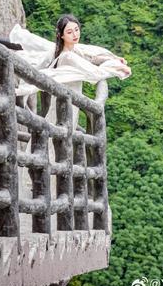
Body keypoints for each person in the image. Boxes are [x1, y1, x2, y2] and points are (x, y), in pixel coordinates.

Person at [11, 14, 131, 199]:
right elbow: (93, 72)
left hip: (67, 109)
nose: (75, 34)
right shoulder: (67, 57)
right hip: (62, 112)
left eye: (76, 29)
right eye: (69, 31)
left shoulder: (70, 52)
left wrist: (114, 58)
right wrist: (116, 69)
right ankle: (37, 188)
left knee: (51, 143)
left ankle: (37, 185)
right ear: (61, 35)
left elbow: (92, 56)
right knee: (52, 144)